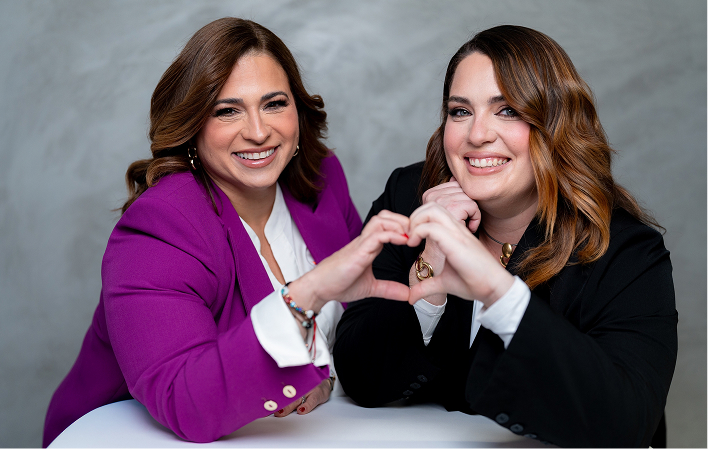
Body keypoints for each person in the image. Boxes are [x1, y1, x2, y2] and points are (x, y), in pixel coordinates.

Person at [43, 17, 411, 447]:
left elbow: (356, 334)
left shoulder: (321, 179)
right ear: (192, 126)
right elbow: (184, 401)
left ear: (299, 111)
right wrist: (305, 295)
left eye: (274, 103)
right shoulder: (160, 225)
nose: (258, 132)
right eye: (227, 110)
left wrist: (326, 373)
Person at [334, 25, 677, 447]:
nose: (477, 135)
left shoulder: (624, 249)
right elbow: (362, 378)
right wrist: (430, 266)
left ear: (555, 124)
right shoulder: (410, 197)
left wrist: (499, 294)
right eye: (460, 111)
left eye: (508, 110)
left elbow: (628, 422)